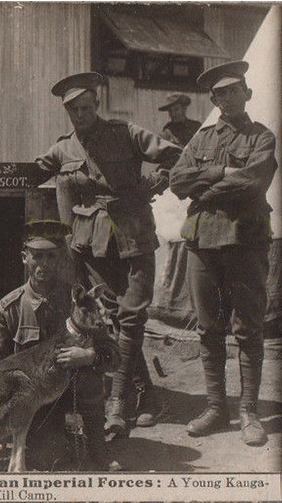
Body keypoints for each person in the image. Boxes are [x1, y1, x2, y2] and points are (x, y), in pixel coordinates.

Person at [32, 72, 182, 437]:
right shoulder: (64, 148)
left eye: (87, 107)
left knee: (132, 315)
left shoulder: (126, 132)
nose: (81, 115)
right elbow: (33, 170)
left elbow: (177, 154)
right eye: (74, 110)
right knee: (114, 318)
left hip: (134, 235)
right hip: (93, 243)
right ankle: (145, 396)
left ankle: (118, 403)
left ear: (97, 105)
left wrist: (158, 179)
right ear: (67, 112)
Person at [169, 61, 278, 446]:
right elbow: (177, 181)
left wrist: (205, 186)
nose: (227, 97)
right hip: (201, 242)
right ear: (213, 100)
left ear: (246, 93)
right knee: (207, 327)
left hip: (245, 239)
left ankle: (249, 410)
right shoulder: (199, 139)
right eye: (220, 93)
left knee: (248, 327)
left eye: (235, 90)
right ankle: (216, 407)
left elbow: (253, 181)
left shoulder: (262, 138)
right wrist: (221, 173)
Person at [0, 219, 121, 470]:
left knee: (90, 379)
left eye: (51, 257)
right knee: (50, 458)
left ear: (61, 259)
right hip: (36, 399)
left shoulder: (80, 301)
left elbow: (113, 354)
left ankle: (97, 449)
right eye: (37, 257)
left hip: (71, 391)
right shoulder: (11, 306)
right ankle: (57, 439)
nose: (44, 265)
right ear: (24, 258)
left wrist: (89, 355)